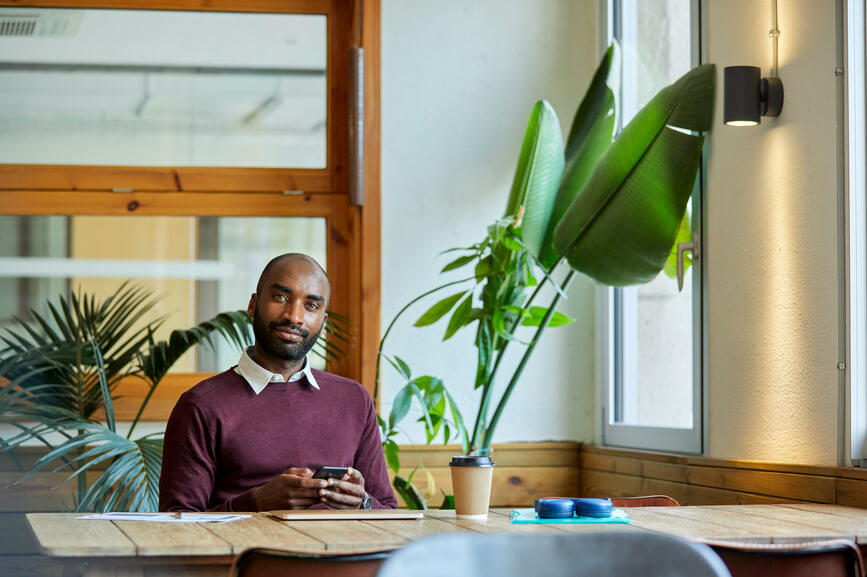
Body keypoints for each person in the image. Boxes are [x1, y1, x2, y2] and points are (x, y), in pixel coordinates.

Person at [159, 253, 396, 512]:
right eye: (280, 297)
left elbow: (387, 509)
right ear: (253, 304)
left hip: (339, 552)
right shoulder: (201, 405)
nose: (294, 316)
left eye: (311, 306)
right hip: (248, 553)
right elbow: (178, 525)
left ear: (323, 322)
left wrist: (362, 502)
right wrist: (256, 502)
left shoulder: (354, 400)